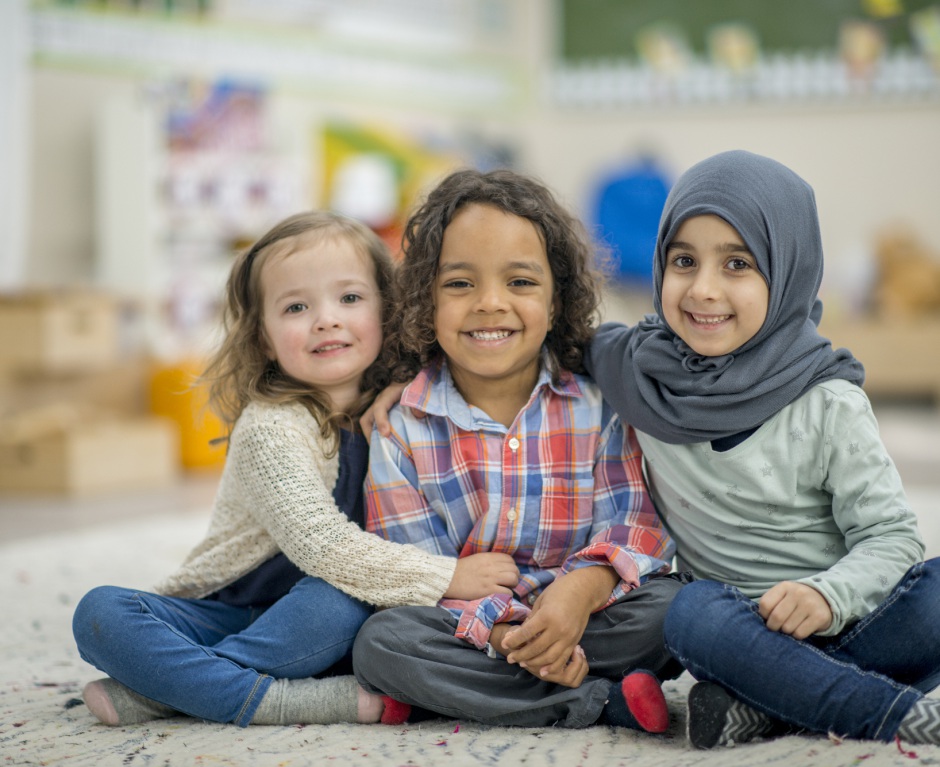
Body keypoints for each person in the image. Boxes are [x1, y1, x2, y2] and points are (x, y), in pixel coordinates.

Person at [72, 211, 520, 728]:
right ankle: (291, 700)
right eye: (296, 307)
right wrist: (448, 577)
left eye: (349, 298)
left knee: (340, 603)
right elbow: (321, 544)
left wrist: (408, 386)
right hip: (229, 610)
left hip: (327, 613)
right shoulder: (271, 426)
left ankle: (162, 693)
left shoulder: (404, 400)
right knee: (100, 612)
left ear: (387, 311)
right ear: (263, 337)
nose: (325, 319)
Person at [584, 150, 940, 748]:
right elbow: (532, 342)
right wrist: (390, 384)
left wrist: (826, 597)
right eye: (684, 261)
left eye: (738, 264)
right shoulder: (640, 371)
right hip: (734, 634)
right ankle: (886, 712)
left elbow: (893, 539)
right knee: (687, 612)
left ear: (788, 270)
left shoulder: (826, 402)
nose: (703, 289)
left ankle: (772, 708)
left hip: (848, 618)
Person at [351, 168, 686, 733]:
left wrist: (579, 593)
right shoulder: (401, 427)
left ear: (556, 302)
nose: (489, 304)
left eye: (521, 283)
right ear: (425, 300)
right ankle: (591, 700)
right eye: (459, 284)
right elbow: (414, 577)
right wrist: (506, 633)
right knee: (382, 644)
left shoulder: (598, 405)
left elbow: (636, 528)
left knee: (677, 610)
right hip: (472, 631)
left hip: (591, 614)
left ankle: (513, 691)